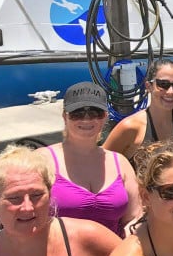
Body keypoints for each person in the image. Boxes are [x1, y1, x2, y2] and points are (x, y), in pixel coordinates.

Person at [39, 82, 142, 238]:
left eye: (95, 112)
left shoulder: (120, 162)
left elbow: (134, 218)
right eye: (77, 113)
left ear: (105, 117)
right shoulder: (42, 161)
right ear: (64, 116)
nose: (86, 119)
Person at [104, 60, 173, 166]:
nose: (170, 91)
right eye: (163, 84)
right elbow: (101, 164)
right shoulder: (130, 128)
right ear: (149, 86)